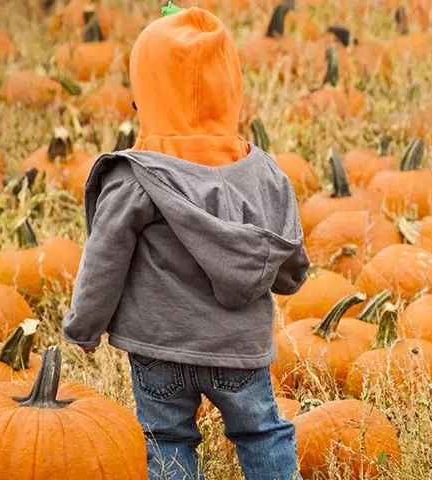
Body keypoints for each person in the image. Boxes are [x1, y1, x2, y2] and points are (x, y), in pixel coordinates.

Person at [62, 3, 309, 479]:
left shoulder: (135, 177)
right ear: (231, 88)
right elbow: (289, 260)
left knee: (168, 440)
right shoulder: (264, 173)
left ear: (145, 94)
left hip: (159, 347)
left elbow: (104, 260)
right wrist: (290, 277)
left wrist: (84, 328)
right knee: (262, 431)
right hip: (239, 348)